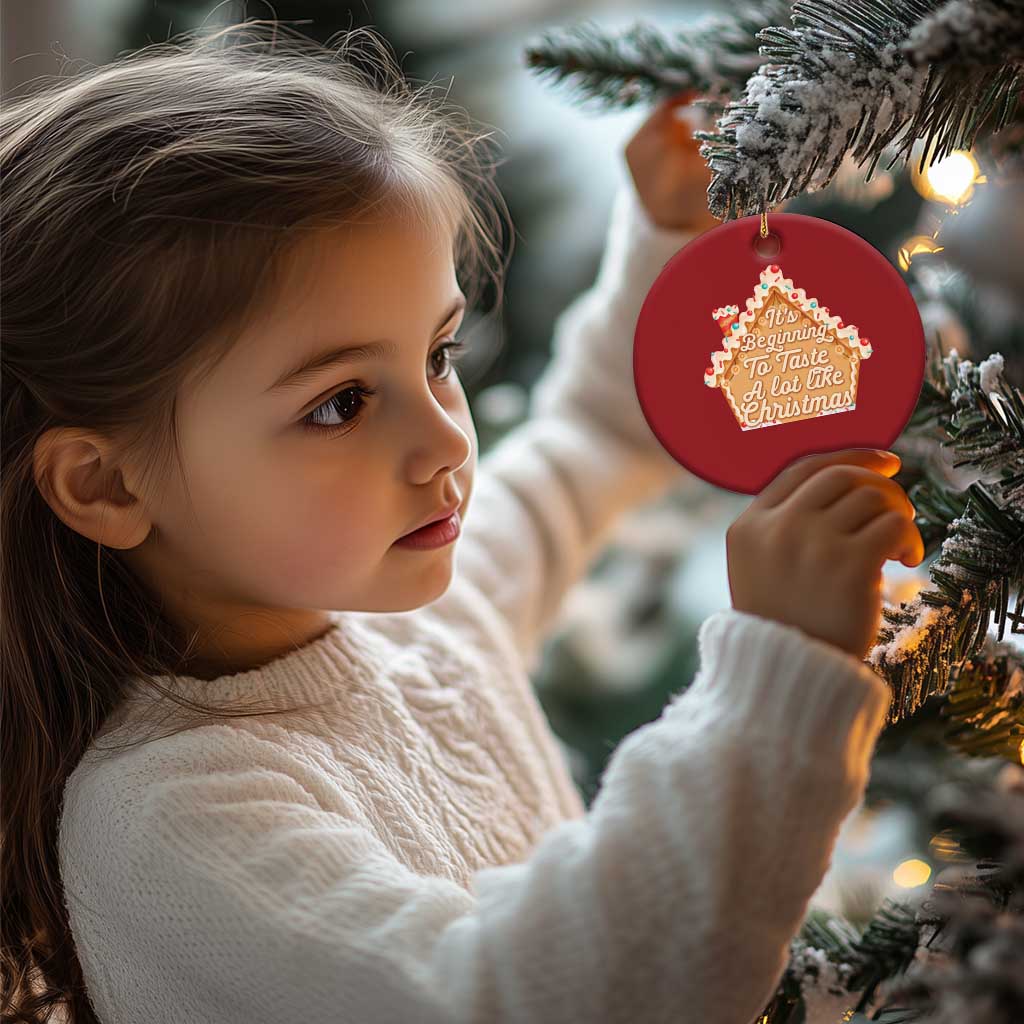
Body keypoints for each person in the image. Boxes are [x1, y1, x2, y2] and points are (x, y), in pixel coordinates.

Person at [0, 20, 923, 1024]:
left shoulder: (425, 620)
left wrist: (668, 241)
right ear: (106, 488)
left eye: (436, 357)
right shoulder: (170, 817)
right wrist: (776, 676)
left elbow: (593, 438)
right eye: (340, 402)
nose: (443, 442)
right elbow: (532, 1000)